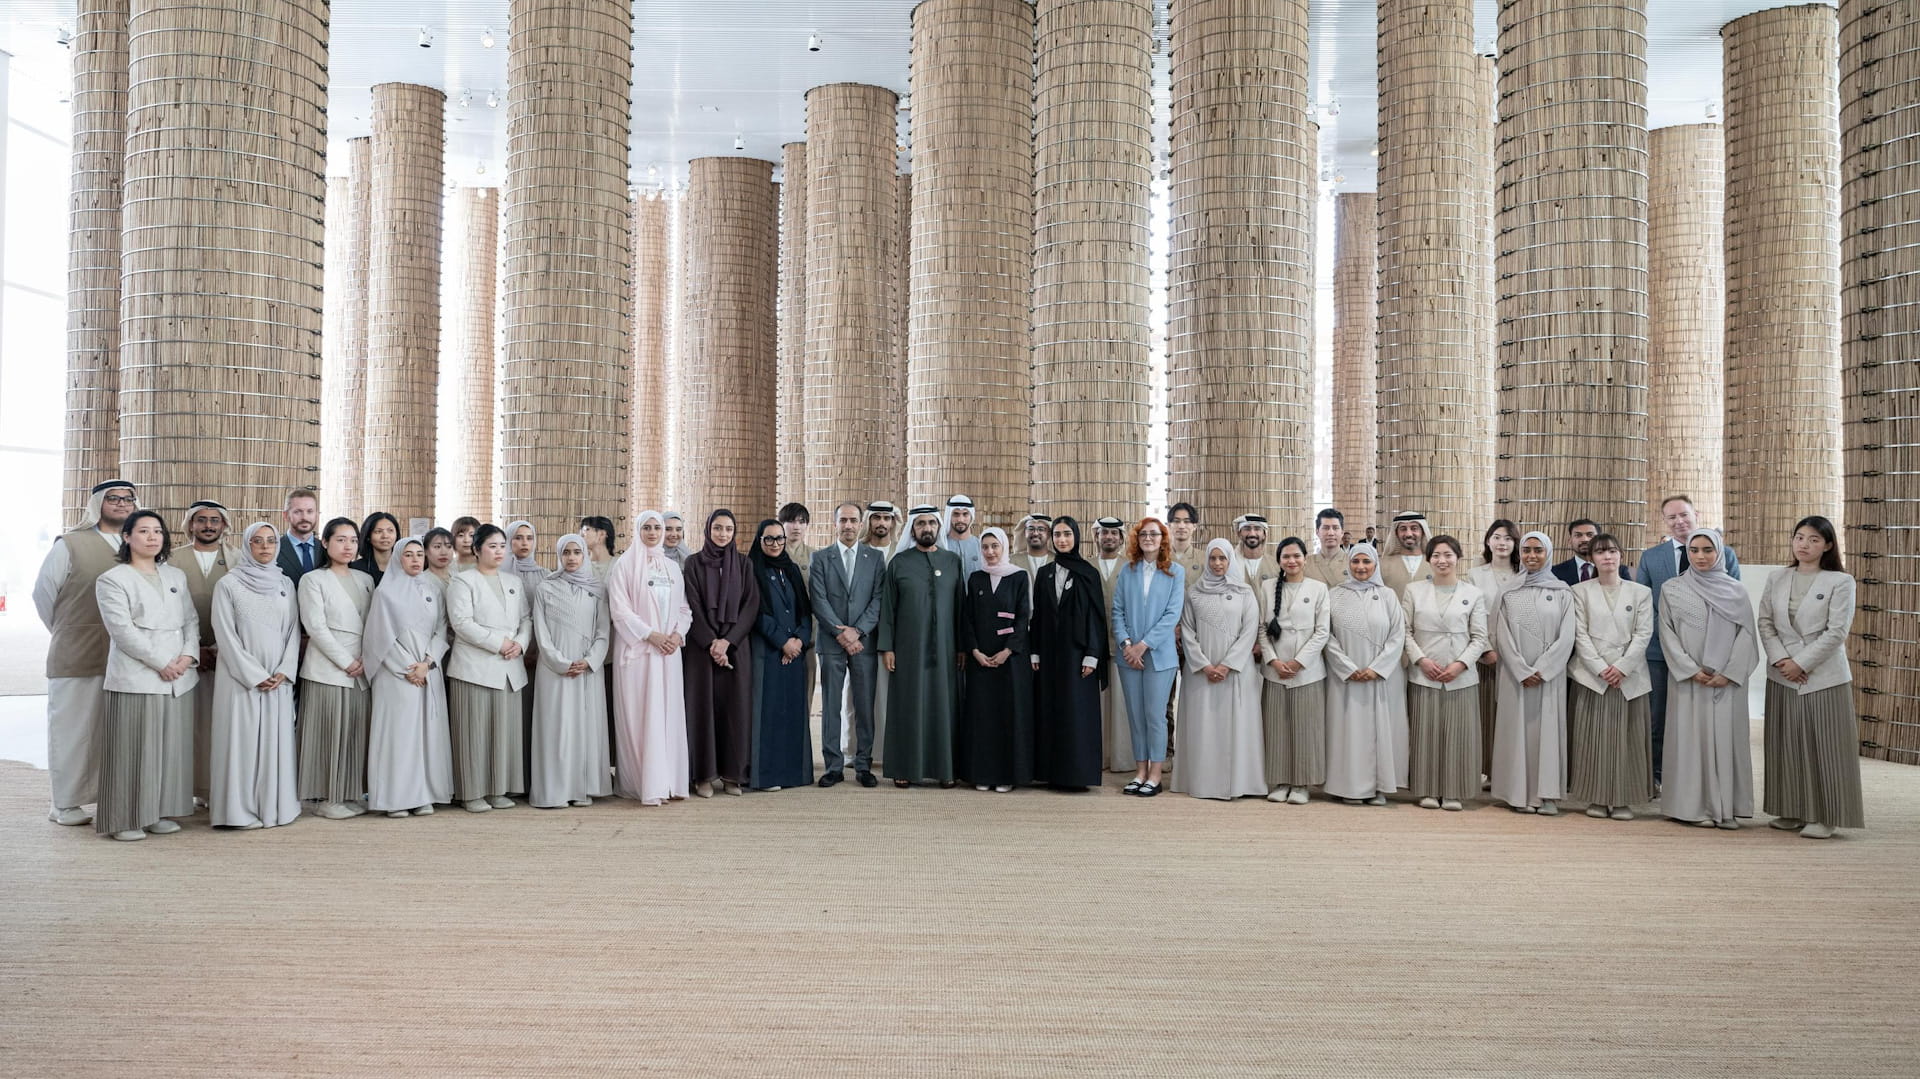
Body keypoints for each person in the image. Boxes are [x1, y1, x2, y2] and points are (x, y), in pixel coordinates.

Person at [92, 509, 199, 841]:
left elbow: (190, 620)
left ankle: (157, 812)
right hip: (137, 676)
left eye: (158, 531)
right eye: (143, 531)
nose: (153, 537)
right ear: (127, 537)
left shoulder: (175, 576)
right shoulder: (112, 579)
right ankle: (125, 819)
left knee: (169, 749)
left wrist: (186, 656)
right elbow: (122, 631)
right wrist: (161, 663)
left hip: (179, 676)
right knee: (132, 750)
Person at [35, 478, 136, 825]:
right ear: (97, 504)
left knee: (114, 732)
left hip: (126, 657)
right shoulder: (71, 544)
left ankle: (109, 797)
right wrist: (68, 631)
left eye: (128, 499)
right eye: (114, 498)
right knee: (73, 730)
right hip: (77, 652)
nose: (122, 504)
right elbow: (44, 596)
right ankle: (64, 802)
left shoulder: (138, 546)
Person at [1758, 516, 1863, 839]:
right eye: (1799, 537)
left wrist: (1801, 663)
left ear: (1828, 545)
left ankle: (1825, 815)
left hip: (1823, 676)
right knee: (1786, 743)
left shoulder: (1840, 582)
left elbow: (1836, 632)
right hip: (1782, 674)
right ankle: (1792, 809)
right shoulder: (1778, 577)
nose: (1804, 544)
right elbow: (1765, 622)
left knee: (1825, 746)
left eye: (1814, 539)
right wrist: (1782, 660)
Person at [1659, 528, 1760, 829]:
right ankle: (1694, 808)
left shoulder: (1736, 590)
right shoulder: (1672, 588)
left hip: (1725, 682)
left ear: (1719, 553)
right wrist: (1691, 669)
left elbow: (1747, 634)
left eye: (1707, 550)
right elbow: (1667, 633)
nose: (1700, 556)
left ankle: (1726, 807)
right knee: (1690, 741)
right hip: (1689, 680)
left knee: (1725, 740)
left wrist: (1728, 673)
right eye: (1694, 550)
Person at [1636, 494, 1741, 783]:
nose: (1679, 521)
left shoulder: (1725, 554)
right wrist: (1671, 638)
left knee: (1699, 719)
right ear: (1665, 522)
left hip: (1708, 653)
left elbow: (1733, 602)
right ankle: (1656, 774)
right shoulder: (1651, 557)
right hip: (1659, 650)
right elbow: (1644, 604)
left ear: (1696, 515)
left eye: (1684, 514)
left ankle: (1696, 777)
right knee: (1658, 716)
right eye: (1672, 517)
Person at [208, 522, 301, 829]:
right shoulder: (229, 584)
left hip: (277, 677)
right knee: (241, 743)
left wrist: (284, 670)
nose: (265, 547)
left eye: (271, 541)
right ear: (247, 545)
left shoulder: (285, 584)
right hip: (241, 679)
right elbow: (225, 634)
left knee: (277, 741)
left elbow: (293, 633)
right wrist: (253, 674)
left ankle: (276, 808)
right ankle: (239, 812)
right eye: (258, 541)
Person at [361, 536, 454, 817]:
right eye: (408, 555)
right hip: (395, 676)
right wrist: (407, 668)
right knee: (398, 736)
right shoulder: (384, 593)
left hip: (427, 671)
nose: (415, 560)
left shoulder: (433, 591)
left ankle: (423, 793)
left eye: (418, 555)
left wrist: (426, 664)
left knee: (426, 734)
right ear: (397, 558)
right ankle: (395, 798)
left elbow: (442, 630)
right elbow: (378, 639)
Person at [446, 523, 533, 811]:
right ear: (477, 549)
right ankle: (472, 792)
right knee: (474, 731)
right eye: (492, 546)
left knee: (503, 732)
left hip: (510, 667)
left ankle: (498, 789)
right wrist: (499, 643)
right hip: (475, 666)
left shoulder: (513, 582)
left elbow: (526, 619)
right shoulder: (462, 581)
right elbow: (461, 623)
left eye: (501, 546)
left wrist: (519, 643)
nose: (498, 551)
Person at [1567, 533, 1655, 820]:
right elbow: (1578, 634)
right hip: (1592, 676)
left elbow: (1644, 634)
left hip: (1629, 677)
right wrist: (1600, 667)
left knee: (1628, 739)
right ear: (1591, 558)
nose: (1607, 557)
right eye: (1601, 552)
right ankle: (1594, 796)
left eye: (1612, 551)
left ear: (1621, 555)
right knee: (1591, 737)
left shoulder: (1640, 592)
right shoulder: (1579, 591)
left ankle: (1622, 800)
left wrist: (1621, 667)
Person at [608, 511, 692, 805]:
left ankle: (670, 781)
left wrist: (677, 635)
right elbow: (620, 610)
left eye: (658, 527)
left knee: (668, 714)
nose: (654, 532)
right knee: (641, 715)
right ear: (637, 530)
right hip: (639, 653)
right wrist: (651, 635)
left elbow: (684, 609)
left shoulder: (671, 567)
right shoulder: (625, 565)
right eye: (648, 527)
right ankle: (644, 782)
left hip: (669, 654)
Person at [878, 506, 964, 787]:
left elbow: (960, 608)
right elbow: (888, 610)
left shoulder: (952, 561)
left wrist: (961, 647)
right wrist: (887, 647)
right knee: (908, 704)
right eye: (920, 524)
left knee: (944, 705)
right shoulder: (899, 563)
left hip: (947, 649)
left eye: (931, 523)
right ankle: (904, 768)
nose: (926, 528)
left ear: (938, 527)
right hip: (907, 649)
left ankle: (945, 770)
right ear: (912, 530)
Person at [1402, 535, 1489, 812]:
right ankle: (1427, 789)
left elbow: (1479, 638)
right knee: (1425, 733)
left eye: (1448, 555)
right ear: (1428, 559)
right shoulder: (1414, 590)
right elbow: (1404, 631)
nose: (1442, 560)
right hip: (1424, 673)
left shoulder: (1472, 593)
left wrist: (1460, 664)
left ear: (1458, 558)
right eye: (1436, 555)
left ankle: (1454, 790)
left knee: (1458, 734)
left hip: (1461, 676)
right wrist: (1421, 660)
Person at [1491, 532, 1576, 815]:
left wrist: (1544, 669)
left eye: (1538, 550)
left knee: (1548, 733)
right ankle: (1517, 793)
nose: (1531, 556)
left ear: (1548, 553)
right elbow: (1500, 634)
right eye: (1526, 550)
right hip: (1516, 678)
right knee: (1516, 732)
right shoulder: (1509, 592)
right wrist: (1520, 669)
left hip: (1549, 678)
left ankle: (1547, 795)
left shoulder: (1564, 591)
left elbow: (1567, 636)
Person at [1171, 539, 1263, 800]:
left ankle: (1240, 783)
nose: (1218, 563)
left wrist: (1226, 665)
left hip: (1236, 670)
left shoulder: (1245, 592)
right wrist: (1204, 665)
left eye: (1223, 558)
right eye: (1213, 558)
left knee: (1238, 725)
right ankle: (1202, 782)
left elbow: (1250, 631)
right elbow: (1187, 631)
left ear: (1230, 561)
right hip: (1201, 672)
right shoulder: (1195, 593)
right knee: (1204, 726)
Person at [296, 517, 374, 819]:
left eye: (353, 540)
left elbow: (374, 624)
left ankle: (349, 792)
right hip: (328, 668)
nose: (348, 546)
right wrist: (346, 661)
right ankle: (325, 797)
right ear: (325, 543)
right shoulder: (313, 580)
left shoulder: (365, 579)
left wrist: (367, 658)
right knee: (329, 732)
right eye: (340, 539)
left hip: (362, 667)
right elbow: (315, 627)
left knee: (354, 732)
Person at [530, 534, 612, 808]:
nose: (572, 557)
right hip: (555, 671)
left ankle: (582, 788)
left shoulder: (598, 589)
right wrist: (561, 663)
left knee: (585, 728)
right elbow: (541, 634)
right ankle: (555, 790)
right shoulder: (545, 588)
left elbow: (603, 630)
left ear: (585, 555)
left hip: (588, 669)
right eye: (566, 552)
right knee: (557, 728)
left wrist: (590, 661)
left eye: (577, 552)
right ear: (559, 555)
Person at [1030, 515, 1111, 790]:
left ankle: (1078, 776)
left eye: (1067, 534)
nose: (1062, 539)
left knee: (1076, 714)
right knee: (1051, 710)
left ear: (1076, 536)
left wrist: (1092, 654)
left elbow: (1096, 618)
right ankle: (1052, 773)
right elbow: (1038, 616)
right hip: (1050, 656)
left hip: (1078, 657)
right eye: (1057, 534)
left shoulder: (1088, 573)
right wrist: (1035, 652)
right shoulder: (1044, 573)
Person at [1323, 543, 1408, 806]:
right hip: (1345, 678)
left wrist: (1377, 668)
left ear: (1375, 565)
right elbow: (1326, 635)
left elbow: (1398, 634)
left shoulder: (1387, 595)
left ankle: (1380, 785)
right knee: (1347, 730)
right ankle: (1348, 786)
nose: (1361, 567)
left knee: (1381, 729)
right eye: (1356, 562)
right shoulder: (1334, 594)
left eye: (1366, 562)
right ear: (1348, 564)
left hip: (1382, 677)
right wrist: (1348, 668)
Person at [683, 509, 759, 797]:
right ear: (707, 530)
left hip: (735, 650)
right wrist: (711, 642)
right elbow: (691, 604)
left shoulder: (744, 564)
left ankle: (732, 775)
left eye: (728, 529)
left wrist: (728, 642)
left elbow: (751, 605)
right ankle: (702, 776)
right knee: (701, 710)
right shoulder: (693, 563)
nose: (723, 534)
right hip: (702, 650)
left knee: (734, 710)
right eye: (717, 528)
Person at [810, 501, 884, 788]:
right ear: (835, 523)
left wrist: (858, 632)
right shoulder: (821, 557)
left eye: (854, 520)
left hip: (863, 643)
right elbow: (818, 599)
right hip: (831, 642)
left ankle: (863, 765)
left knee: (864, 704)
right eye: (843, 520)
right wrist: (841, 633)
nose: (849, 526)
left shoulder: (875, 558)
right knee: (831, 705)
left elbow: (878, 599)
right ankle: (833, 766)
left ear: (861, 523)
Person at [1110, 516, 1184, 794]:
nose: (1148, 539)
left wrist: (1144, 645)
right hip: (1128, 656)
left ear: (1163, 539)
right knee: (1136, 715)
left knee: (1155, 715)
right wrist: (1127, 644)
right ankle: (1139, 771)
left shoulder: (1175, 572)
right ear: (1137, 540)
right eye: (1143, 535)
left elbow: (1171, 615)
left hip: (1160, 656)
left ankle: (1155, 774)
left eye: (1154, 534)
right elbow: (1117, 611)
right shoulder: (1127, 571)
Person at [958, 527, 1034, 792]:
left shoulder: (1019, 576)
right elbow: (967, 619)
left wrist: (1008, 651)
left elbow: (1024, 617)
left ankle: (1006, 775)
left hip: (1010, 659)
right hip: (981, 660)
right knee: (982, 717)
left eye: (995, 546)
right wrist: (975, 651)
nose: (990, 552)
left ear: (1004, 547)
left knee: (1008, 715)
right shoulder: (975, 578)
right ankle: (983, 773)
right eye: (986, 547)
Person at [1256, 536, 1331, 804]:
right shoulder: (1266, 587)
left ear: (1305, 558)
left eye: (1296, 556)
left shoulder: (1319, 588)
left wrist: (1299, 662)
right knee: (1276, 727)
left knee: (1305, 728)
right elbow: (1262, 629)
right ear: (1279, 561)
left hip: (1308, 671)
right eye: (1286, 556)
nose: (1292, 561)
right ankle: (1280, 780)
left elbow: (1322, 631)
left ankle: (1301, 783)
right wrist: (1274, 661)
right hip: (1275, 670)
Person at [747, 519, 813, 790]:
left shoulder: (793, 570)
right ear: (759, 540)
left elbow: (806, 611)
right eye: (769, 539)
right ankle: (768, 777)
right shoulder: (752, 568)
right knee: (768, 712)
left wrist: (799, 639)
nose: (775, 544)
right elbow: (756, 612)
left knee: (794, 712)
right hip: (767, 651)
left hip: (795, 653)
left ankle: (795, 775)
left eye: (779, 539)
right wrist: (782, 642)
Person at [177, 499, 232, 804]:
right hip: (185, 657)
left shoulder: (238, 559)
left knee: (219, 725)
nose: (208, 526)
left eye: (215, 520)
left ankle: (214, 789)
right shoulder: (171, 560)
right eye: (202, 520)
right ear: (191, 524)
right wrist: (194, 650)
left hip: (227, 656)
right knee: (189, 725)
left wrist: (223, 648)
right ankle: (186, 789)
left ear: (224, 525)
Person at [1469, 519, 1524, 781]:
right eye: (1497, 537)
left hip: (1519, 656)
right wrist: (1486, 650)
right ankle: (1484, 769)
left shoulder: (1524, 574)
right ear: (1488, 541)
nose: (1502, 543)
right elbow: (1472, 615)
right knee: (1484, 713)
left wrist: (1515, 654)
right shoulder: (1475, 574)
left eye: (1508, 538)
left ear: (1516, 543)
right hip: (1485, 654)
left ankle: (1506, 772)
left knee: (1511, 714)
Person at [1091, 516, 1131, 771]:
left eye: (1114, 534)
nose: (1109, 538)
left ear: (1121, 539)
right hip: (1093, 648)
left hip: (1123, 647)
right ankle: (1098, 757)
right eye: (1104, 533)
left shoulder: (1131, 567)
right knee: (1097, 704)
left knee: (1122, 705)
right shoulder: (1086, 566)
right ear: (1096, 537)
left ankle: (1122, 759)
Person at [1378, 510, 1434, 597]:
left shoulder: (1435, 564)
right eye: (1403, 529)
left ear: (1423, 532)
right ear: (1396, 533)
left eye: (1414, 528)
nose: (1408, 534)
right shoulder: (1382, 565)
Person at [274, 487, 322, 584]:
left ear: (317, 514)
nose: (304, 517)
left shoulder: (326, 550)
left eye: (310, 511)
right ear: (286, 515)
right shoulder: (274, 549)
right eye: (298, 512)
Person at [940, 494, 985, 579]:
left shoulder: (981, 546)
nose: (960, 519)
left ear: (971, 516)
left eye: (965, 514)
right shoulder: (941, 545)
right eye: (956, 514)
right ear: (949, 516)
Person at [350, 511, 401, 586]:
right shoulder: (356, 568)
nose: (385, 536)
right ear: (368, 537)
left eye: (390, 531)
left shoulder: (405, 566)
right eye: (378, 531)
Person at [1303, 508, 1349, 589]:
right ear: (1317, 532)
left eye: (1335, 528)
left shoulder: (1353, 562)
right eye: (1325, 528)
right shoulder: (1305, 564)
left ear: (1342, 532)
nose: (1331, 533)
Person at [1231, 513, 1274, 592]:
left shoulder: (1275, 565)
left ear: (1264, 534)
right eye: (1247, 529)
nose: (1252, 534)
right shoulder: (1230, 563)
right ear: (1239, 534)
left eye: (1257, 529)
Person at [1551, 518, 1600, 586]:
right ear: (1570, 541)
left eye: (1590, 535)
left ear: (1599, 540)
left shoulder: (1616, 571)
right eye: (1578, 535)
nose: (1584, 539)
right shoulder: (1555, 573)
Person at [1166, 503, 1205, 586]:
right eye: (1176, 521)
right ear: (1169, 525)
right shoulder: (1159, 557)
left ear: (1194, 526)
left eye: (1187, 521)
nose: (1181, 526)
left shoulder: (1204, 558)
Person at [777, 503, 814, 580]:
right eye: (791, 521)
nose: (797, 527)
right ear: (781, 524)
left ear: (807, 525)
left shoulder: (814, 555)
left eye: (801, 522)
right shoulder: (774, 552)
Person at [579, 515, 620, 581]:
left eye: (586, 529)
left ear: (602, 534)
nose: (581, 534)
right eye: (581, 530)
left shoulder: (620, 565)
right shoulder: (579, 566)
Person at [422, 526, 458, 591]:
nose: (444, 552)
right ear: (425, 551)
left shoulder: (458, 575)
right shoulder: (421, 581)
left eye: (449, 546)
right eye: (437, 547)